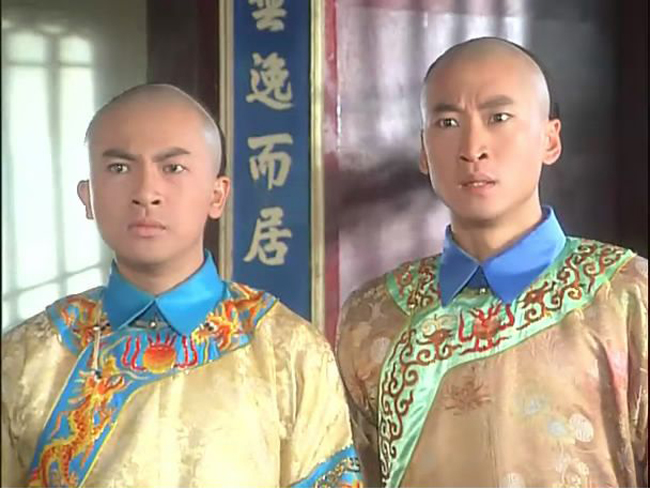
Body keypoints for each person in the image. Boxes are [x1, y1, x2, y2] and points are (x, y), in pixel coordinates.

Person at [1, 84, 363, 488]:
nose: (146, 193)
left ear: (217, 195)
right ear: (88, 197)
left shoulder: (289, 352)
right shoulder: (26, 358)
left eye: (172, 168)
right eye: (119, 168)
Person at [336, 37, 647, 487]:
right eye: (447, 122)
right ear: (424, 150)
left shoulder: (626, 296)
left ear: (550, 139)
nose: (473, 147)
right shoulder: (372, 317)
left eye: (498, 118)